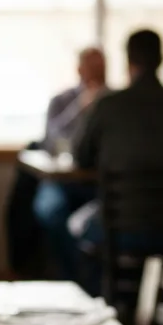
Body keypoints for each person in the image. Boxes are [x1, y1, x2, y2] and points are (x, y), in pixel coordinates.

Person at [69, 28, 163, 270]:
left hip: (119, 225)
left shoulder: (107, 106)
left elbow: (80, 158)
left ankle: (103, 299)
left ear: (128, 61)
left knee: (74, 224)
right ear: (162, 60)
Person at [31, 47, 109, 279]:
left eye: (101, 67)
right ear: (79, 69)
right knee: (52, 211)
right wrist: (81, 107)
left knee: (112, 217)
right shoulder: (61, 101)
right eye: (91, 66)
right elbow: (51, 142)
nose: (97, 72)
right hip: (61, 182)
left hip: (100, 184)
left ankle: (91, 283)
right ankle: (71, 278)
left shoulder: (115, 102)